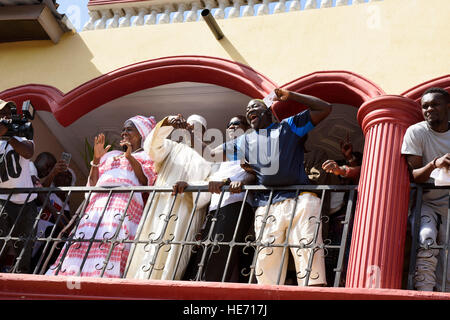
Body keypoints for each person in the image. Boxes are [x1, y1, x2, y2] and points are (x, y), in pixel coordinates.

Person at [220, 89, 334, 286]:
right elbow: (212, 156)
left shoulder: (288, 127)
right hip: (266, 204)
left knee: (307, 254)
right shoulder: (245, 140)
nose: (250, 110)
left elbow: (324, 107)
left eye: (255, 106)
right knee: (266, 265)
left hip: (301, 199)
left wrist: (291, 96)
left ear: (269, 112)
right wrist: (223, 180)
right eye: (247, 109)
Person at [46, 115, 157, 278]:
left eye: (129, 129)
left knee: (111, 240)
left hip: (123, 204)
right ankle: (72, 277)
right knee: (85, 240)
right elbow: (93, 182)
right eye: (123, 129)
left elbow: (145, 180)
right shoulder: (110, 155)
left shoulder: (146, 157)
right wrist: (97, 159)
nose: (124, 132)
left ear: (141, 133)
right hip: (98, 206)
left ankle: (103, 277)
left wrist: (129, 157)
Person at [125, 114, 214, 281]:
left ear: (204, 133)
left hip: (185, 211)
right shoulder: (172, 146)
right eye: (189, 126)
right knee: (149, 245)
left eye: (197, 128)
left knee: (173, 252)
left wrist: (190, 187)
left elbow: (211, 185)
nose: (191, 130)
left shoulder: (209, 157)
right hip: (161, 204)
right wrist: (167, 123)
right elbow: (151, 146)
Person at [183, 115, 256, 282]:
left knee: (218, 254)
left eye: (236, 124)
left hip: (236, 202)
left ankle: (208, 294)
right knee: (206, 252)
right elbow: (208, 162)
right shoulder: (225, 151)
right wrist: (188, 133)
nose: (231, 127)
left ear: (247, 128)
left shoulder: (252, 145)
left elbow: (257, 174)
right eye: (229, 124)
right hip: (216, 205)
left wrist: (241, 182)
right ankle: (198, 290)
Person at [401, 87, 450, 292]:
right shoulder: (417, 131)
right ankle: (424, 292)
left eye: (434, 104)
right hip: (426, 201)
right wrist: (435, 164)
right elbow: (415, 176)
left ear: (448, 107)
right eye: (425, 106)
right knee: (426, 239)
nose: (429, 109)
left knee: (448, 252)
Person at [0, 99, 38, 274]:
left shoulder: (22, 135)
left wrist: (9, 135)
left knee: (24, 250)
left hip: (26, 203)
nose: (6, 117)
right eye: (2, 114)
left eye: (8, 113)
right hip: (2, 200)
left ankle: (22, 283)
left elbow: (28, 152)